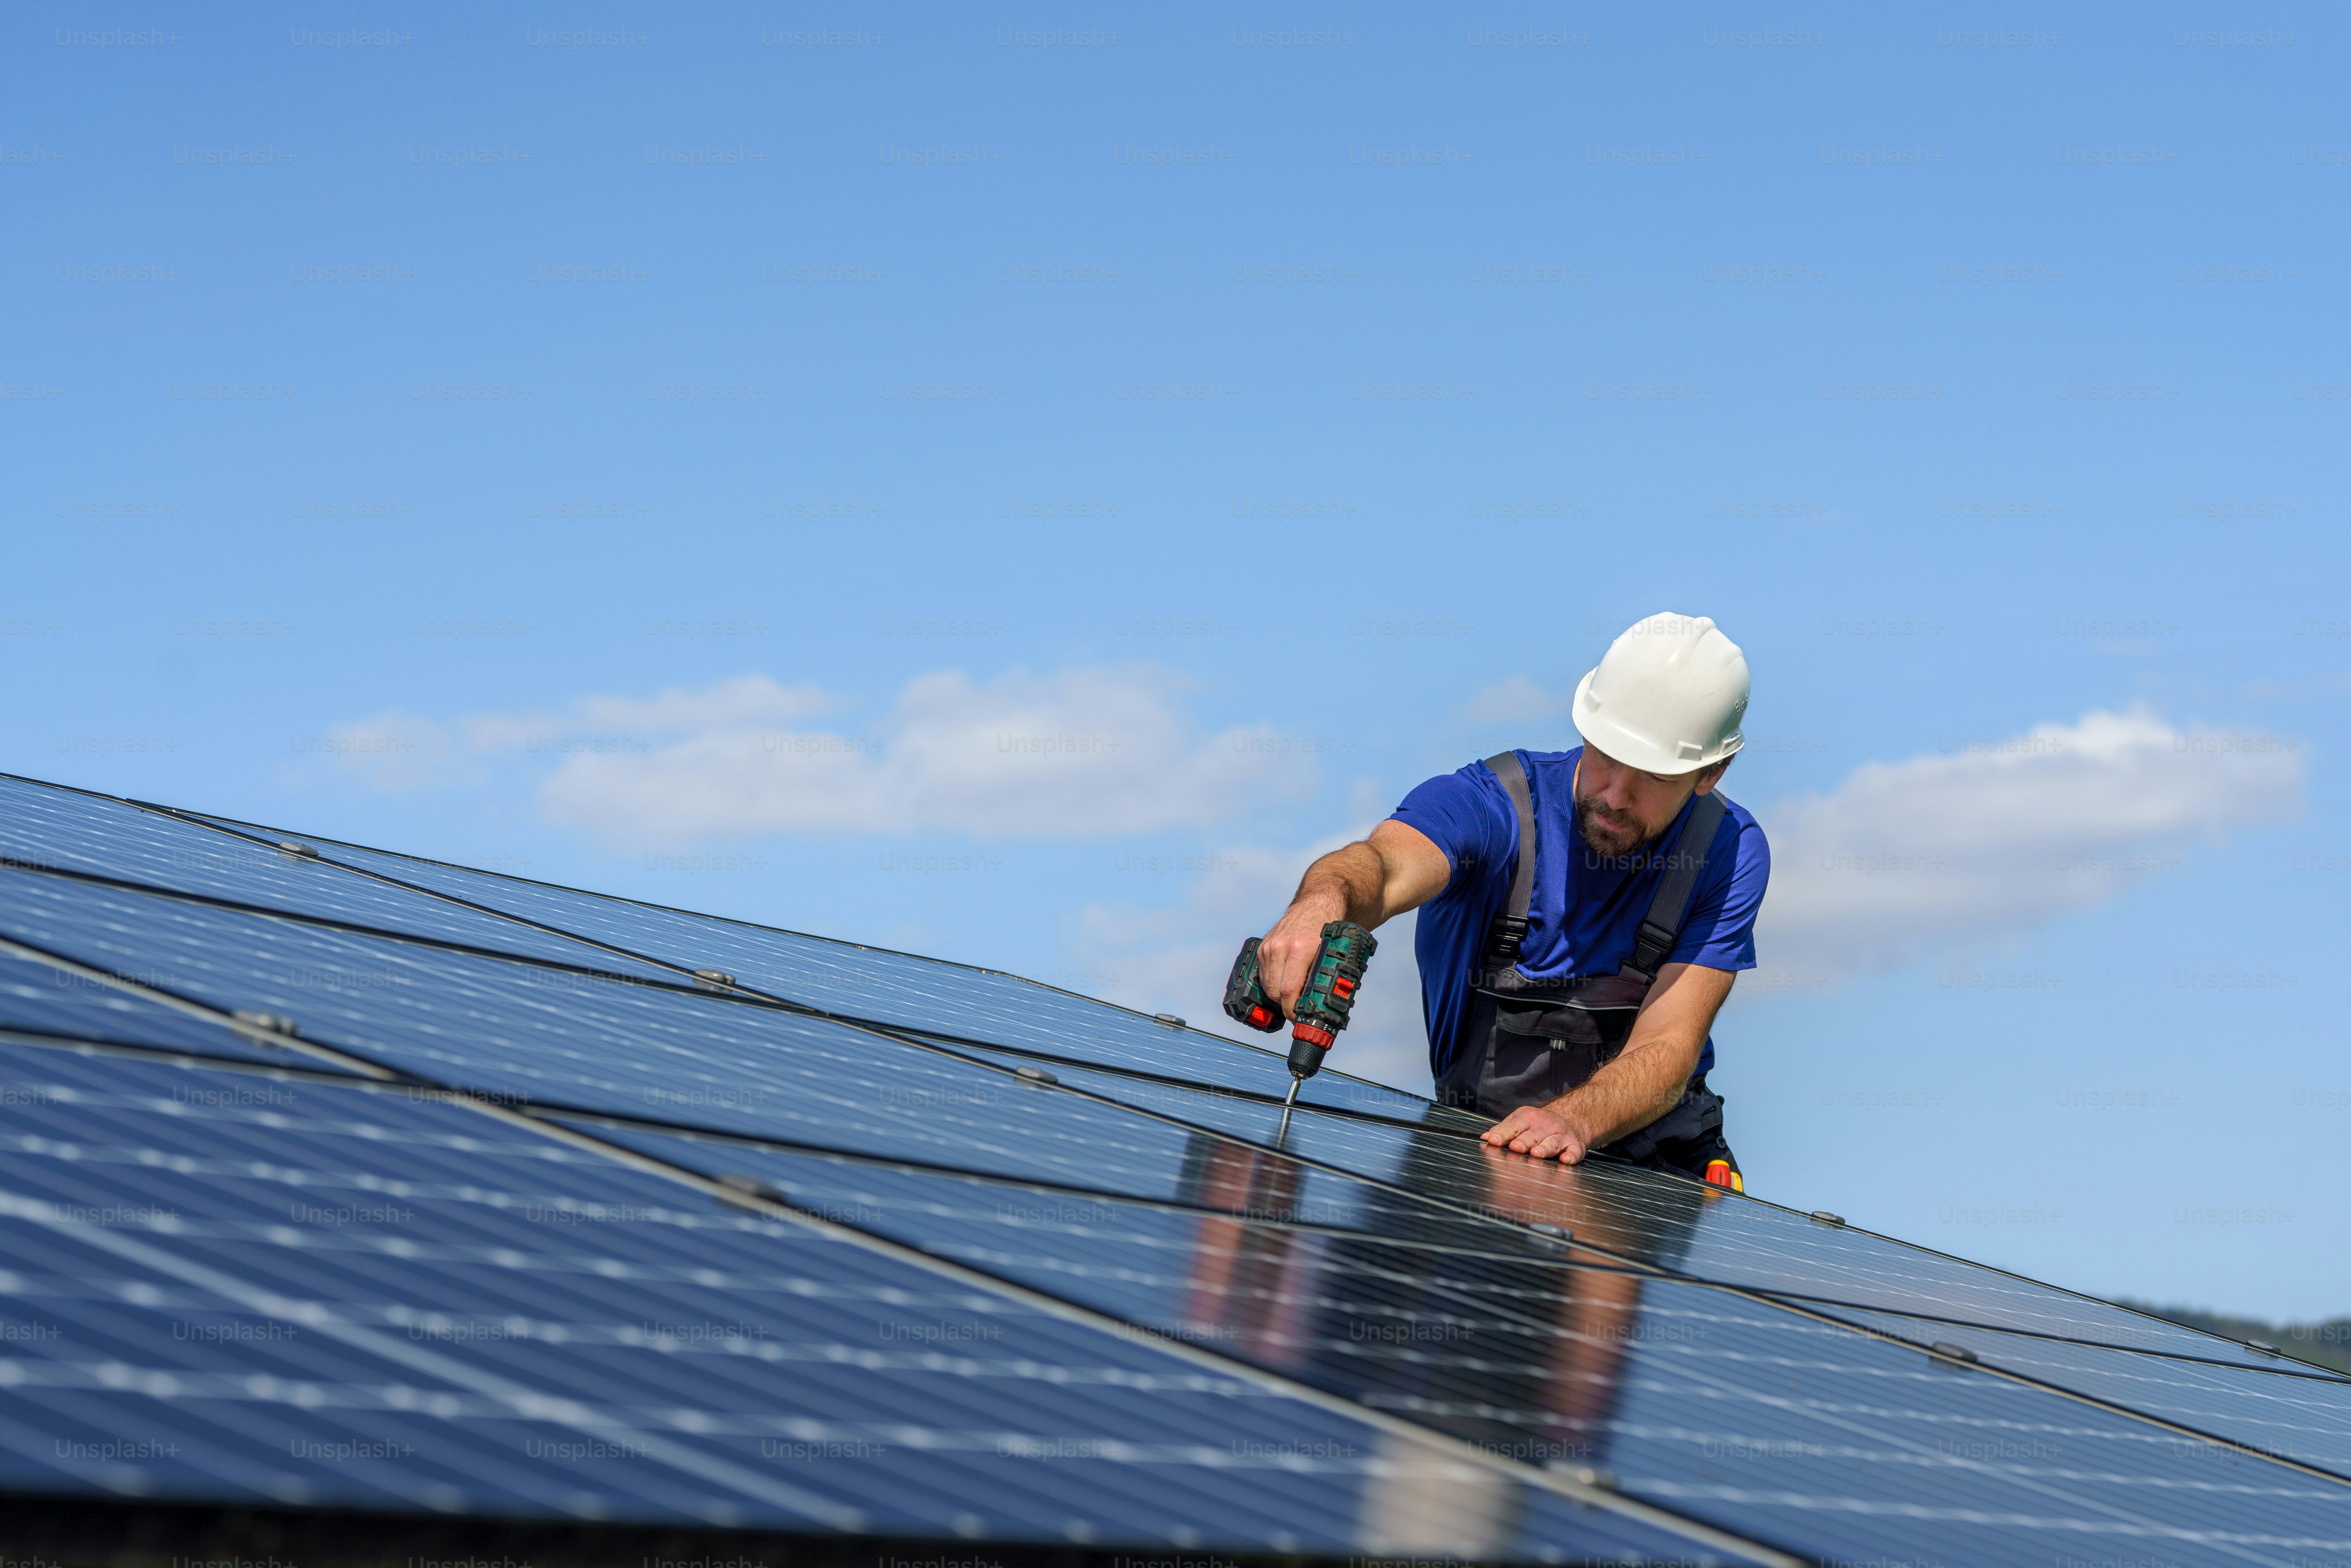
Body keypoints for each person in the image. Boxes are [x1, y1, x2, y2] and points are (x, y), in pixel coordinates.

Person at [1250, 612, 1769, 1182]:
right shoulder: (1495, 808)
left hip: (1657, 1163)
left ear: (1711, 772)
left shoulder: (1725, 849)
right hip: (1491, 1155)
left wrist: (1573, 1120)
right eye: (1607, 756)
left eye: (1652, 776)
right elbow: (1383, 864)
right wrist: (1323, 902)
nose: (1616, 795)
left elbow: (1670, 1044)